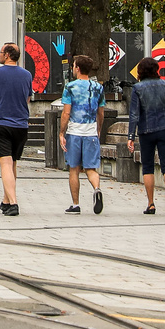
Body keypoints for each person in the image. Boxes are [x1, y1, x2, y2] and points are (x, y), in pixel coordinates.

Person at [128, 56, 165, 216]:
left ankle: (151, 204)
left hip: (146, 131)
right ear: (156, 70)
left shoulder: (137, 88)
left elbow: (134, 114)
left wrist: (131, 136)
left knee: (147, 167)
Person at [0, 42, 33, 216]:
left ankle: (13, 203)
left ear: (7, 55)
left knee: (5, 163)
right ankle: (6, 200)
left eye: (1, 52)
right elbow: (27, 99)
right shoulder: (27, 75)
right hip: (20, 125)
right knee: (12, 164)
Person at [60, 54, 105, 215]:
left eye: (73, 66)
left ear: (77, 68)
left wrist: (61, 132)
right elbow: (101, 112)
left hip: (74, 131)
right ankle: (97, 188)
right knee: (91, 168)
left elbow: (66, 113)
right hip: (91, 131)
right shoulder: (98, 88)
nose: (72, 68)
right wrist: (98, 129)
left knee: (74, 168)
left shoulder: (70, 87)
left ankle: (75, 204)